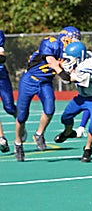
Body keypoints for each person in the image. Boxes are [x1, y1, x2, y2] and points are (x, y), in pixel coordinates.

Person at [14, 26, 80, 161]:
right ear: (66, 37)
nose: (75, 42)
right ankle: (18, 143)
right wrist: (65, 74)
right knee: (22, 116)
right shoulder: (51, 43)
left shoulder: (72, 52)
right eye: (74, 39)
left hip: (45, 82)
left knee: (50, 110)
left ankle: (39, 134)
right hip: (30, 80)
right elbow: (52, 63)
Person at [54, 41, 92, 163]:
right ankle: (68, 132)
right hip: (82, 97)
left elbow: (71, 79)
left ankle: (88, 149)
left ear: (79, 58)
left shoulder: (89, 64)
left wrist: (57, 68)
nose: (67, 61)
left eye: (69, 59)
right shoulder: (81, 59)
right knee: (65, 117)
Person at [0, 30, 17, 153]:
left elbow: (1, 57)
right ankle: (1, 138)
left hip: (1, 76)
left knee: (9, 107)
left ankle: (20, 121)